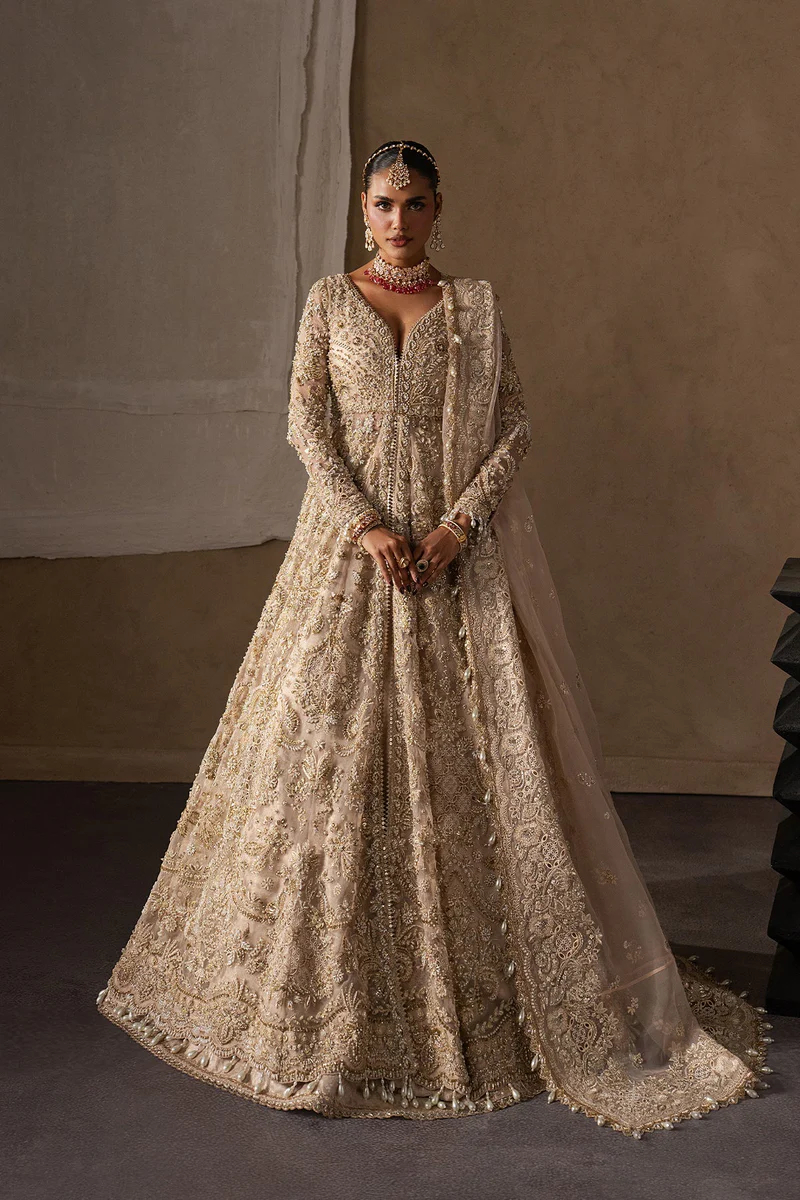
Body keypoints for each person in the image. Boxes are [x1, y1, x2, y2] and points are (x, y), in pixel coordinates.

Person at [97, 140, 774, 1137]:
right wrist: (367, 527)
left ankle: (480, 993)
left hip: (458, 563)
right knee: (321, 760)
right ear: (361, 210)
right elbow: (306, 426)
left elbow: (513, 426)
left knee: (476, 773)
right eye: (383, 203)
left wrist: (457, 527)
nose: (398, 220)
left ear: (437, 208)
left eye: (414, 204)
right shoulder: (329, 304)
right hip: (351, 558)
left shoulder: (474, 309)